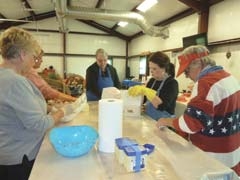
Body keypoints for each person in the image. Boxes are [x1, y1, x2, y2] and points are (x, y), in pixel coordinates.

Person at [0, 27, 76, 180]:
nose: (34, 62)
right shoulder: (15, 81)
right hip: (19, 159)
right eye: (33, 57)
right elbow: (38, 125)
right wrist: (62, 112)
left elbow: (18, 107)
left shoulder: (6, 76)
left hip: (8, 153)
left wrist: (49, 107)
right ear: (22, 55)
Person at [156, 45, 240, 176]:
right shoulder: (230, 78)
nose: (187, 76)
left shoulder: (205, 83)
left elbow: (190, 124)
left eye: (187, 71)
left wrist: (166, 121)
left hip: (212, 159)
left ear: (198, 63)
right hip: (232, 153)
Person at [128, 51, 179, 120]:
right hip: (149, 118)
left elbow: (161, 106)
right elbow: (145, 101)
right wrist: (142, 106)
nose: (151, 71)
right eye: (150, 68)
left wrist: (146, 91)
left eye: (154, 68)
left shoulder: (172, 83)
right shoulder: (152, 81)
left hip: (164, 122)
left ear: (164, 68)